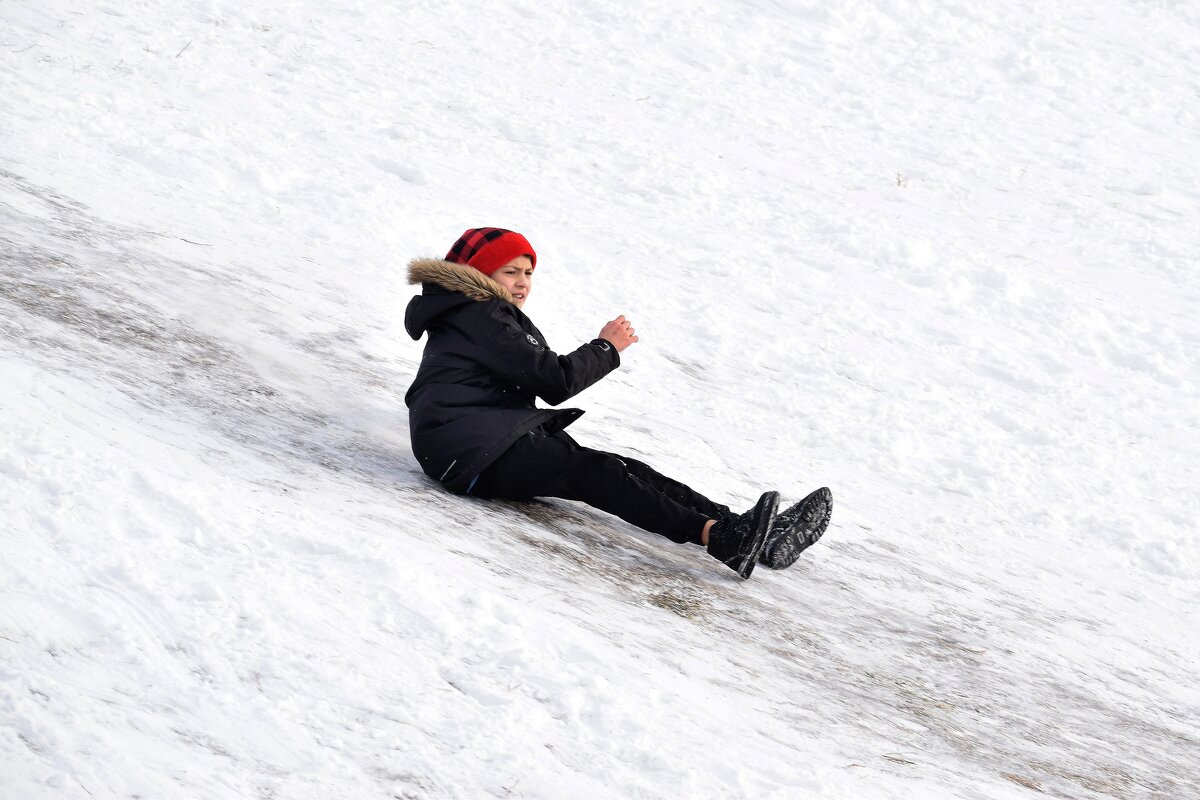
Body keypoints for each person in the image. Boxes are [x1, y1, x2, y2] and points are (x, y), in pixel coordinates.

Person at [404, 227, 831, 579]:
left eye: (529, 272)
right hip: (472, 452)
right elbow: (554, 380)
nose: (522, 282)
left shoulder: (472, 314)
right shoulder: (479, 314)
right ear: (480, 274)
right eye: (510, 271)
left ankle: (748, 530)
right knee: (599, 473)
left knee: (624, 469)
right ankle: (722, 538)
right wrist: (607, 347)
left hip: (477, 443)